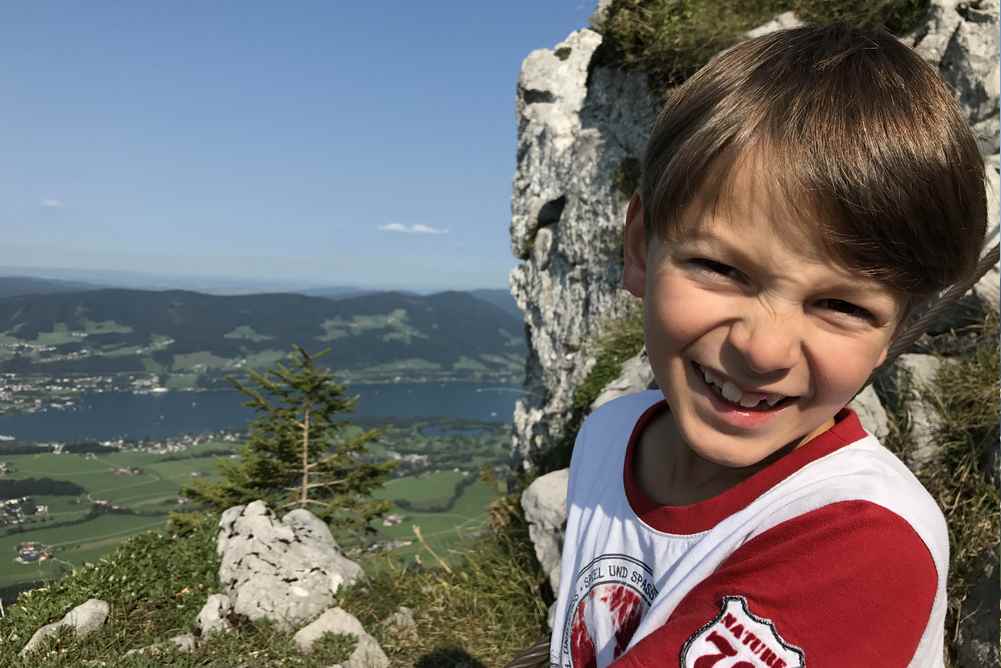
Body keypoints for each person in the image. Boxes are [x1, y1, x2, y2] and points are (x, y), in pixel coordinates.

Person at [548, 23, 987, 668]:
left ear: (896, 331)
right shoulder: (610, 435)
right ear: (640, 247)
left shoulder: (863, 543)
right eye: (722, 270)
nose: (764, 350)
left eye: (841, 305)